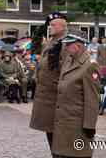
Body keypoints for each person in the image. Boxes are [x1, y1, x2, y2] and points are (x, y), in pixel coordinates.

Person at [50, 30, 100, 158]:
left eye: (68, 45)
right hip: (62, 123)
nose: (65, 48)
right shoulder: (68, 61)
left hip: (76, 126)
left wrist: (89, 125)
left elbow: (92, 99)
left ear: (78, 46)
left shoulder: (90, 66)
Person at [30, 12, 68, 152]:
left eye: (53, 25)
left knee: (58, 135)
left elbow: (66, 69)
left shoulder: (65, 44)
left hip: (55, 96)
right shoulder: (51, 42)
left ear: (63, 27)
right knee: (50, 132)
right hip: (46, 96)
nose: (49, 27)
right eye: (49, 25)